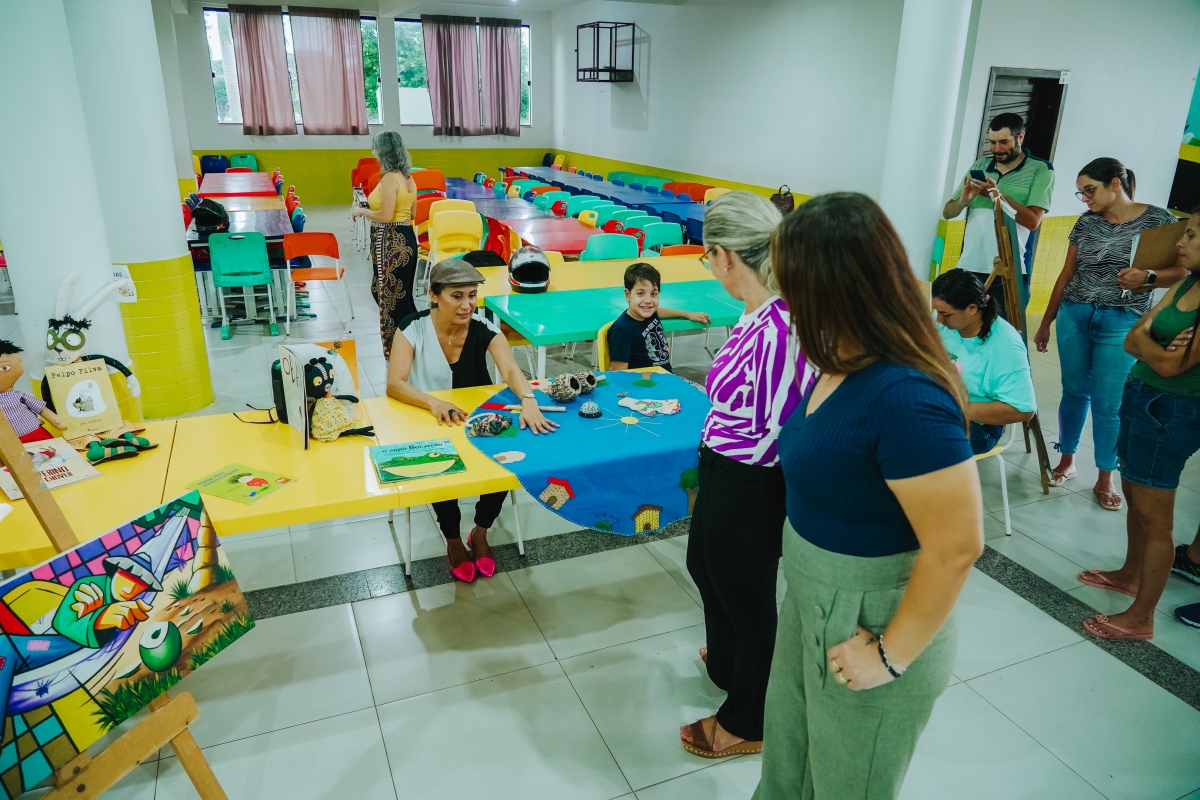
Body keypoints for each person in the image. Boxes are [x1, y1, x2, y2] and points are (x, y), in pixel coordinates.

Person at [753, 193, 984, 800]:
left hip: (869, 617)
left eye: (791, 285)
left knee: (845, 785)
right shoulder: (840, 355)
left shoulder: (905, 392)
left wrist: (889, 656)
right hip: (813, 598)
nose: (784, 301)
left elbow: (957, 547)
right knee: (788, 766)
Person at [678, 192, 814, 758]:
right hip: (723, 464)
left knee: (747, 597)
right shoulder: (753, 311)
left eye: (708, 256)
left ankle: (749, 719)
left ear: (726, 255)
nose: (709, 266)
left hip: (752, 480)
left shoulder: (780, 327)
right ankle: (731, 661)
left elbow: (782, 429)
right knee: (703, 566)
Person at [386, 259, 558, 583]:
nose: (467, 305)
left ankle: (480, 531)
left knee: (509, 458)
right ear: (433, 295)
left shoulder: (483, 327)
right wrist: (433, 402)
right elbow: (395, 383)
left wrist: (528, 399)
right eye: (457, 296)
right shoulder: (412, 327)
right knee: (437, 465)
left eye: (471, 295)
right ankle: (452, 538)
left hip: (476, 419)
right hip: (428, 419)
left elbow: (510, 369)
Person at [1078, 207, 1200, 640]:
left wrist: (1153, 343)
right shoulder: (1187, 282)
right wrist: (1157, 344)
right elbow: (1133, 339)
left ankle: (1142, 616)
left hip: (1170, 410)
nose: (1180, 243)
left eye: (1192, 236)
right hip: (1141, 395)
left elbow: (1169, 367)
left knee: (1155, 519)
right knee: (1133, 493)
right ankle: (1130, 574)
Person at [1033, 158, 1181, 511]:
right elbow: (1067, 273)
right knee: (1074, 392)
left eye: (1090, 190)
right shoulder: (1086, 222)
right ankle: (1066, 460)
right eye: (1081, 192)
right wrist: (1046, 320)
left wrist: (1148, 277)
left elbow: (1182, 271)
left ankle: (1104, 476)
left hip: (1122, 320)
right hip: (1075, 314)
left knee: (1109, 403)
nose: (1085, 198)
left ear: (1115, 184)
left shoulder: (1159, 220)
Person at [942, 113, 1054, 318]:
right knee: (961, 330)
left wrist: (996, 196)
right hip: (969, 267)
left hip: (1010, 271)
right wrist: (963, 201)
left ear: (1020, 137)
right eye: (992, 142)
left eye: (1004, 142)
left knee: (1002, 332)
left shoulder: (1040, 169)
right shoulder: (980, 165)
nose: (997, 149)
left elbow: (1032, 221)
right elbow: (948, 212)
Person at [931, 270, 1036, 454]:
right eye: (937, 311)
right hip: (934, 405)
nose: (939, 319)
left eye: (945, 314)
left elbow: (1024, 410)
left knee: (917, 440)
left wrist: (956, 407)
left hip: (979, 425)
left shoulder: (1004, 344)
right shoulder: (941, 323)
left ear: (972, 308)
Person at [351, 131, 419, 359]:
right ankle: (413, 341)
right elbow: (412, 214)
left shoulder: (390, 178)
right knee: (401, 296)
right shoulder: (408, 178)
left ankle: (397, 351)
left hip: (390, 239)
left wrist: (362, 211)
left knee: (388, 299)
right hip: (407, 237)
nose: (374, 153)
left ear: (384, 152)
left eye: (376, 149)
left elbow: (386, 216)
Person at [606, 263, 711, 372]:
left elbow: (658, 311)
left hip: (664, 376)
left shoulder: (649, 312)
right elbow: (619, 374)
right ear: (628, 295)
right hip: (646, 382)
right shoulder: (622, 331)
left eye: (653, 294)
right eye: (640, 293)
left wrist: (687, 314)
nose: (648, 301)